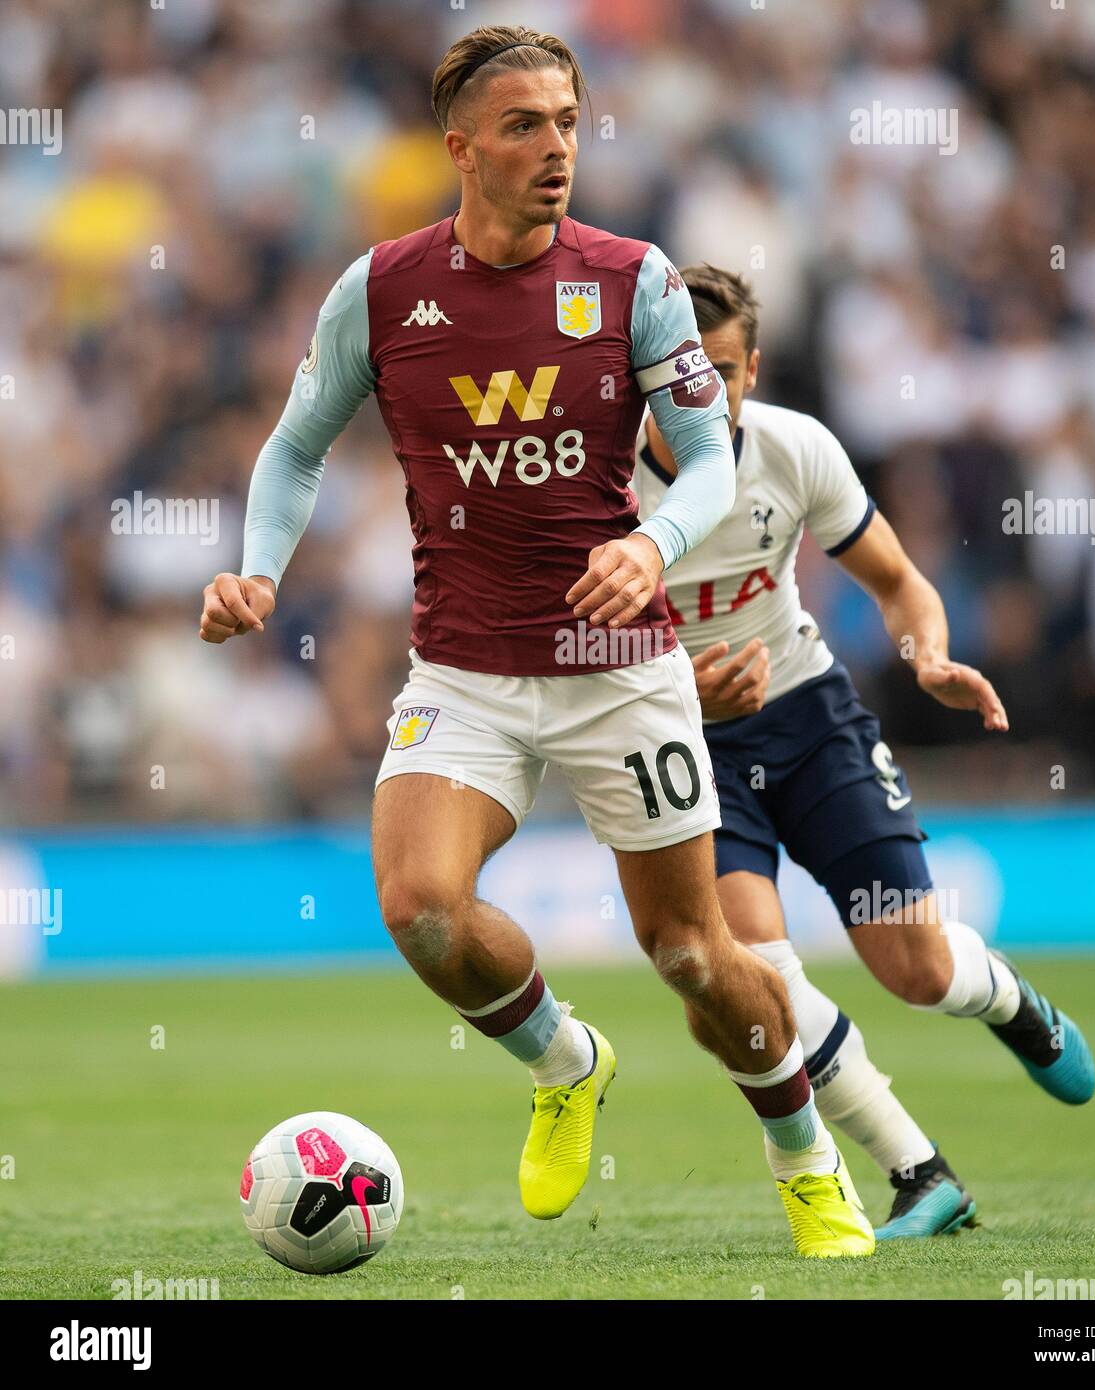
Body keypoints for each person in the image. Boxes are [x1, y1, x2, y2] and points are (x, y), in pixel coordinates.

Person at [199, 27, 873, 1257]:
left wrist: (651, 546)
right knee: (419, 908)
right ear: (459, 148)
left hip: (621, 674)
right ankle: (565, 1057)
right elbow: (296, 446)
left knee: (690, 952)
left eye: (567, 120)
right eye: (524, 126)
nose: (555, 147)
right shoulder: (383, 289)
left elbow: (712, 454)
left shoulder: (632, 278)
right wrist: (256, 568)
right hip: (465, 667)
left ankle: (805, 1155)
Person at [632, 263, 1095, 1238]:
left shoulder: (797, 449)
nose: (701, 394)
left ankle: (1013, 1004)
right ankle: (919, 1173)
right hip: (690, 757)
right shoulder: (597, 487)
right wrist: (677, 689)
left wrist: (926, 650)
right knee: (751, 976)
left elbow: (898, 579)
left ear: (751, 370)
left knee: (916, 969)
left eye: (720, 370)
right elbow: (567, 656)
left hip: (809, 721)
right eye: (679, 371)